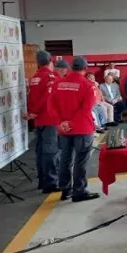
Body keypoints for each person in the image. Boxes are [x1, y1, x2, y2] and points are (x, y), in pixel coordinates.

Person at [48, 56, 99, 202]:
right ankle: (79, 191)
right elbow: (86, 109)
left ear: (71, 67)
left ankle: (65, 190)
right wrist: (72, 123)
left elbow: (51, 106)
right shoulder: (88, 85)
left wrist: (61, 122)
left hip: (64, 129)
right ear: (85, 68)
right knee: (80, 160)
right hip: (82, 128)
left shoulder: (58, 83)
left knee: (65, 158)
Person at [26, 50, 61, 194]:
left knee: (40, 151)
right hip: (49, 118)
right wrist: (36, 112)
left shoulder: (35, 77)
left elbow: (31, 98)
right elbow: (47, 98)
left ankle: (43, 180)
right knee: (50, 151)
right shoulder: (51, 77)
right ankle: (51, 182)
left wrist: (32, 113)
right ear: (50, 61)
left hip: (39, 120)